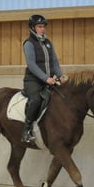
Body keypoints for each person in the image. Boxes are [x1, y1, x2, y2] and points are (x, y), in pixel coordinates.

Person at [21, 14, 67, 143]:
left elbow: (54, 62)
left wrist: (60, 76)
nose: (43, 29)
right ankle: (27, 130)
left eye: (43, 27)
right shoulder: (29, 43)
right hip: (33, 80)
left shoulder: (48, 43)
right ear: (33, 28)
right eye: (40, 27)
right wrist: (45, 78)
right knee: (35, 100)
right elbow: (32, 64)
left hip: (49, 79)